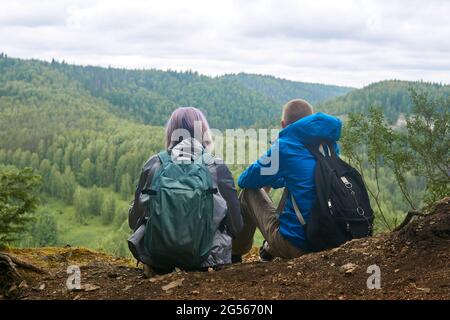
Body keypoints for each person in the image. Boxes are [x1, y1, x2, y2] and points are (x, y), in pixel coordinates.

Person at [128, 107, 243, 274]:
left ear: (171, 133)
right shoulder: (216, 166)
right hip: (206, 262)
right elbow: (236, 226)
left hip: (157, 260)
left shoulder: (155, 163)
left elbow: (134, 220)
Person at [232, 99, 342, 262]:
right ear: (310, 120)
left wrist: (271, 178)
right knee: (292, 186)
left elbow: (245, 180)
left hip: (298, 247)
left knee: (249, 192)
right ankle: (268, 252)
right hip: (331, 240)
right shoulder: (329, 146)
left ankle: (234, 254)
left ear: (283, 124)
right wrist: (280, 177)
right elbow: (305, 177)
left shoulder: (284, 146)